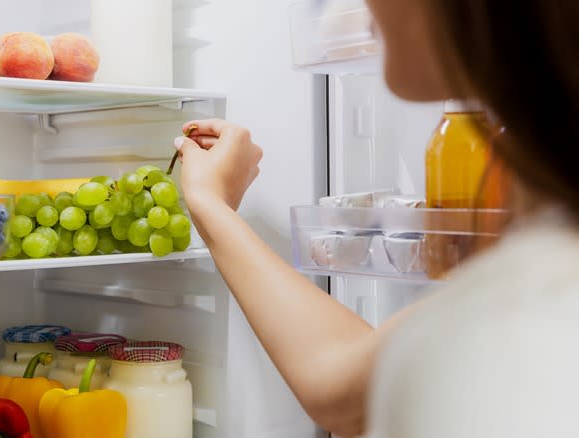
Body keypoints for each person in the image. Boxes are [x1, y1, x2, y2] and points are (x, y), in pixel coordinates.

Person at [173, 1, 579, 437]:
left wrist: (210, 204)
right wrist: (210, 205)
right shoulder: (537, 264)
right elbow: (342, 391)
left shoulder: (532, 299)